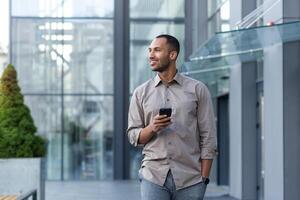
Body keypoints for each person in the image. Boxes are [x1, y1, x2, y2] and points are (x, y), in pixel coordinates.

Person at [127, 34, 217, 200]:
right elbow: (133, 136)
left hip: (190, 179)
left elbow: (208, 137)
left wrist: (204, 179)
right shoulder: (140, 93)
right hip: (153, 176)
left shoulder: (198, 90)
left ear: (172, 55)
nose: (151, 55)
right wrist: (152, 127)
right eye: (149, 51)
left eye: (157, 50)